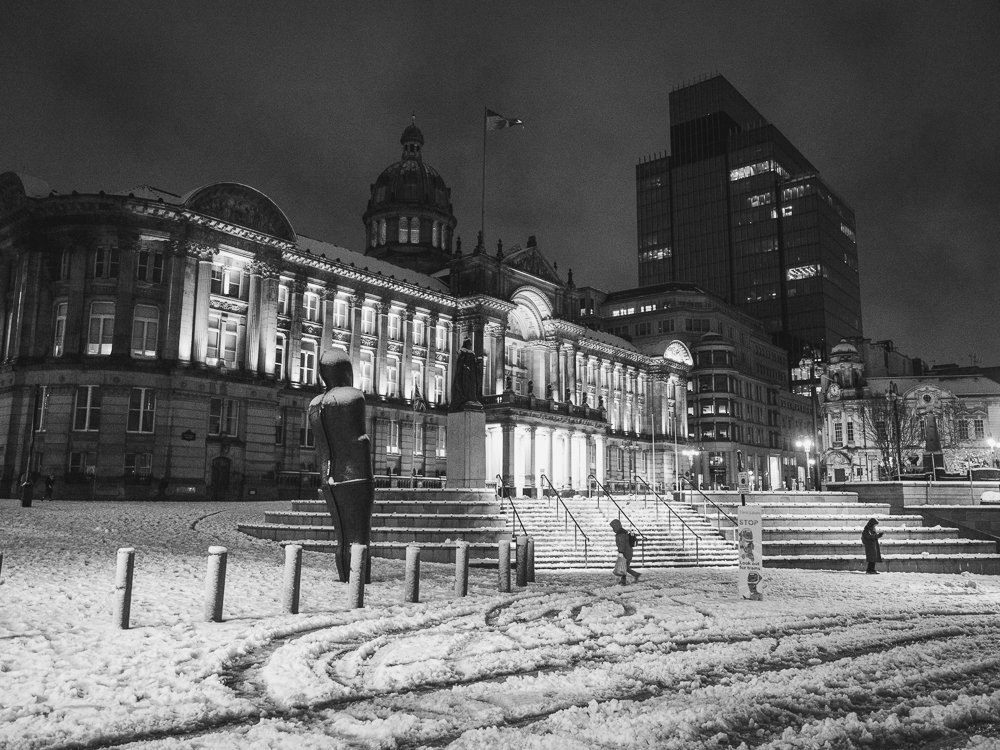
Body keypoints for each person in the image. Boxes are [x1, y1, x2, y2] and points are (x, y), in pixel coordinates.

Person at [308, 349, 375, 583]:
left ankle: (345, 574)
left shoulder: (315, 404)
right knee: (358, 533)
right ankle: (359, 577)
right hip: (356, 474)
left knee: (342, 535)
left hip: (328, 475)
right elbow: (358, 438)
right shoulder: (353, 397)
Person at [610, 518, 640, 585]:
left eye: (613, 527)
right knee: (624, 566)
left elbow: (622, 544)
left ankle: (635, 575)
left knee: (625, 567)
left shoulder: (620, 534)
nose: (613, 529)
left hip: (625, 552)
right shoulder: (624, 532)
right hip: (628, 551)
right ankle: (624, 580)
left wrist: (621, 552)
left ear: (616, 526)